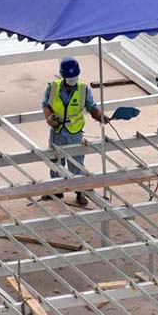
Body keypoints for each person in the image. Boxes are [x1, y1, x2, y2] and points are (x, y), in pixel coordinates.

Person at [42, 57, 106, 205]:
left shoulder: (83, 90)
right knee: (55, 160)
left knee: (76, 163)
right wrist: (49, 117)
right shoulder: (52, 88)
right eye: (69, 77)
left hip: (74, 131)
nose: (72, 80)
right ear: (63, 76)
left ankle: (80, 191)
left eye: (74, 77)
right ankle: (57, 189)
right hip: (57, 130)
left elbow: (92, 108)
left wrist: (100, 117)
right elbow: (46, 105)